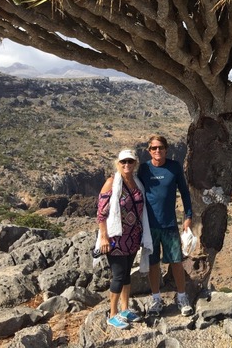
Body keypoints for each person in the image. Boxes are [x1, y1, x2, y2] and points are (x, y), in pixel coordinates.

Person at [95, 149, 153, 329]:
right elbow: (101, 213)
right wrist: (103, 237)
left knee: (127, 274)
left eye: (130, 161)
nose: (126, 165)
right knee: (118, 276)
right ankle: (112, 314)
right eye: (123, 162)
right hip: (116, 238)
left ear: (135, 163)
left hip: (133, 237)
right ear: (118, 164)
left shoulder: (137, 183)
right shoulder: (111, 183)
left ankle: (125, 308)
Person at [137, 135, 194, 316]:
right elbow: (136, 193)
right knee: (153, 263)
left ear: (166, 149)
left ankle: (182, 297)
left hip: (169, 225)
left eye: (160, 147)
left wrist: (188, 216)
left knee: (176, 261)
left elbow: (185, 192)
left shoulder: (174, 167)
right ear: (149, 151)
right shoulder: (144, 169)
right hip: (150, 226)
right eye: (153, 148)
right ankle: (156, 299)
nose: (157, 151)